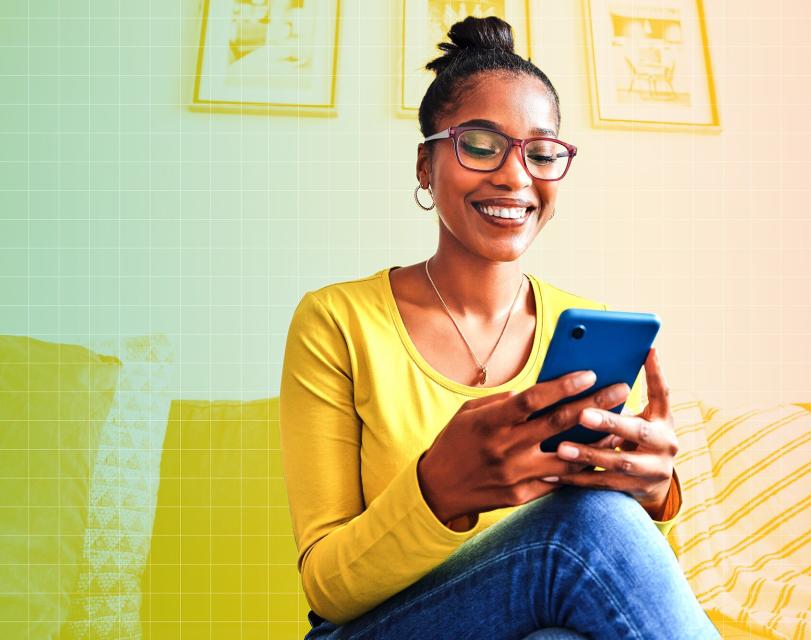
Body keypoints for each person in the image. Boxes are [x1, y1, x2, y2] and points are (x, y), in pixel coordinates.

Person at [279, 15, 719, 640]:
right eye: (481, 145)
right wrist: (439, 491)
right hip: (372, 629)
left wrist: (654, 499)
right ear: (425, 167)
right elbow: (325, 586)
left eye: (541, 153)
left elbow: (629, 590)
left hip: (537, 617)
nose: (516, 176)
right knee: (588, 522)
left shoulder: (587, 332)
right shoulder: (336, 321)